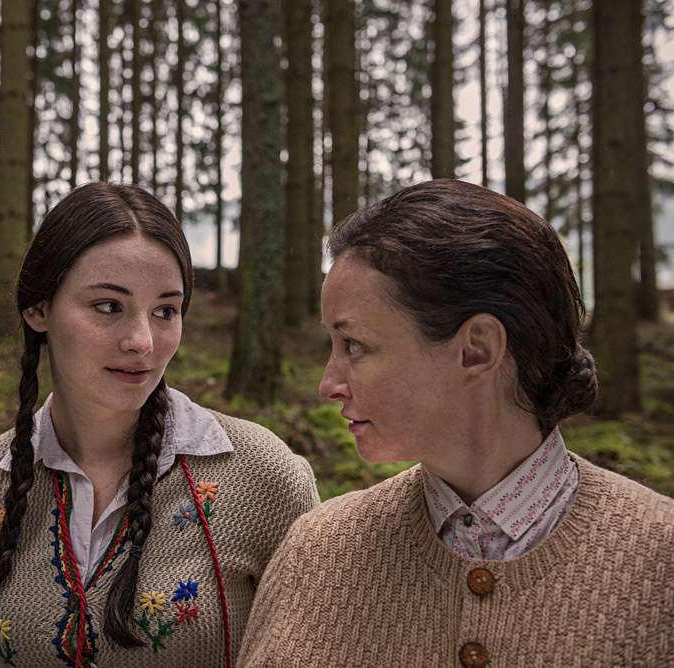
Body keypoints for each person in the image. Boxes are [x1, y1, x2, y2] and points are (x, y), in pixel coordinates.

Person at [237, 179, 674, 667]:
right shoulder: (316, 553)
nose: (328, 384)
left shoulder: (660, 563)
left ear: (477, 350)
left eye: (354, 345)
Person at [0, 182, 319, 668]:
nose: (142, 341)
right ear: (39, 309)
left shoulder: (266, 478)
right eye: (109, 306)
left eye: (165, 311)